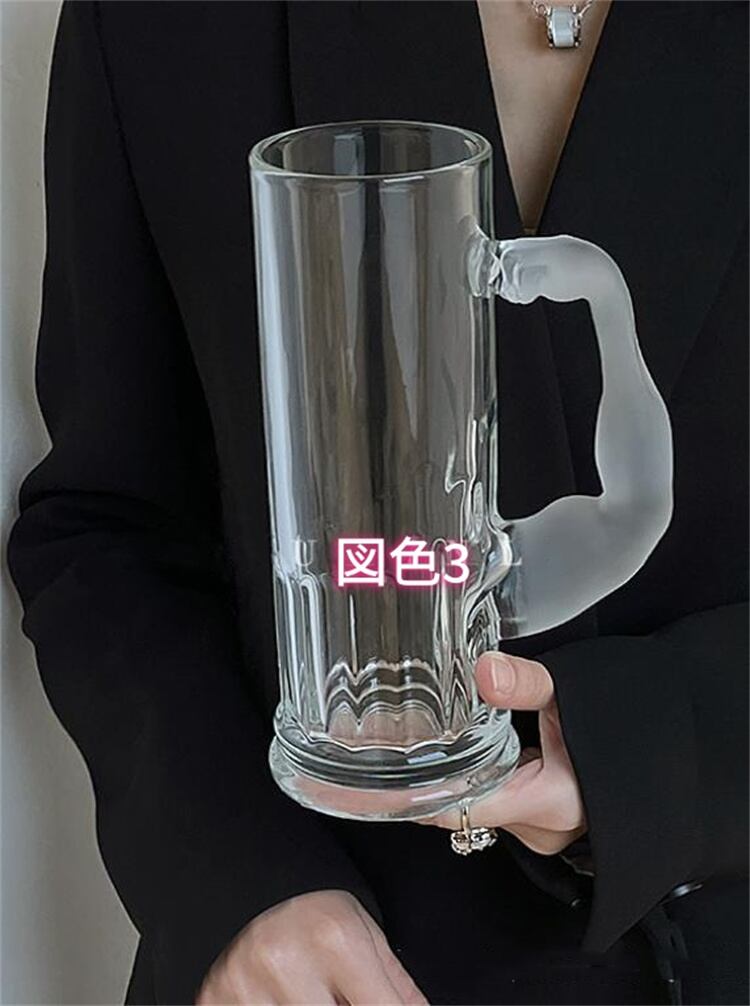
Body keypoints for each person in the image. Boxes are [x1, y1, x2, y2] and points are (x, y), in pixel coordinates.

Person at [7, 2, 747, 1004]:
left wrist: (658, 749)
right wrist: (232, 880)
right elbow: (108, 525)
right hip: (330, 961)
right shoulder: (169, 24)